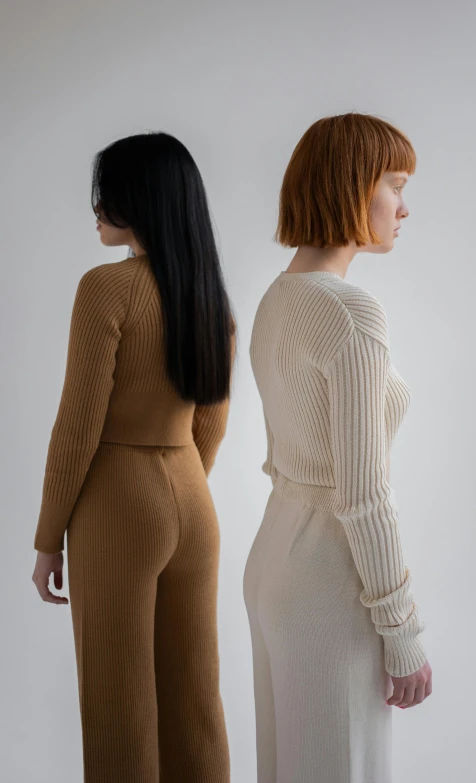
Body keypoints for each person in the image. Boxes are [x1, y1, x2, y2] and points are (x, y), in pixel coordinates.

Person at [31, 131, 236, 783]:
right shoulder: (210, 296)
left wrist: (47, 539)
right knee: (194, 702)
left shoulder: (107, 288)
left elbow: (77, 426)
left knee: (119, 706)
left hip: (118, 503)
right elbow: (212, 418)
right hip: (193, 503)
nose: (95, 206)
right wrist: (178, 487)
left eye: (106, 193)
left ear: (139, 200)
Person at [243, 112, 432, 783]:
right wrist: (402, 631)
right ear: (353, 185)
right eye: (395, 183)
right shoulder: (350, 311)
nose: (404, 206)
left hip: (274, 562)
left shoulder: (278, 297)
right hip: (328, 581)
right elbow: (363, 495)